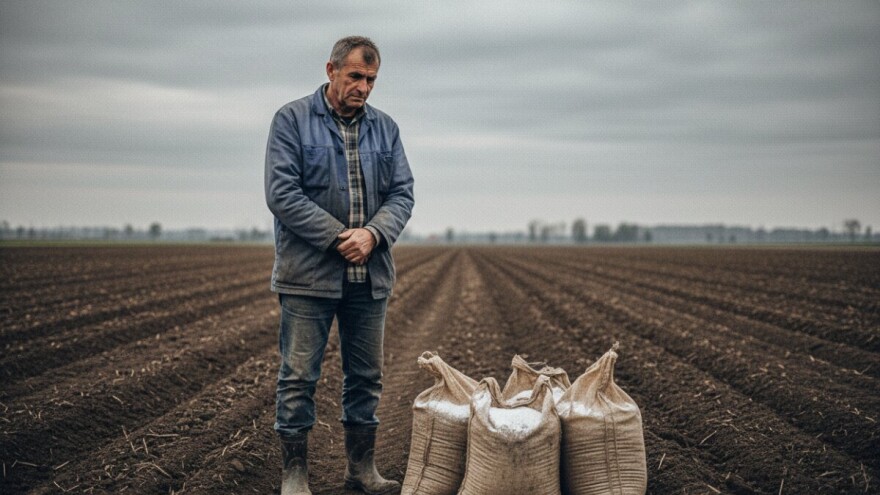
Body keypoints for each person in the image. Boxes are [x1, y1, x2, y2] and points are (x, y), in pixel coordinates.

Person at [264, 36, 414, 495]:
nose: (363, 87)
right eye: (355, 77)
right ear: (331, 70)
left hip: (369, 278)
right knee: (298, 378)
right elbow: (281, 193)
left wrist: (373, 234)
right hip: (307, 277)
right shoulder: (291, 120)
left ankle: (361, 471)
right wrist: (338, 238)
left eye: (370, 79)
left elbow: (402, 193)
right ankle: (294, 475)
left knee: (366, 378)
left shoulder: (385, 129)